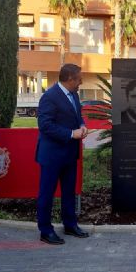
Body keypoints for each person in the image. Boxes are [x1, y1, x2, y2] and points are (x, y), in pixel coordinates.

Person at [36, 63, 89, 245]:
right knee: (47, 194)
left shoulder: (73, 94)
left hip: (69, 154)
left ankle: (70, 224)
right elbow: (45, 125)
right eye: (79, 79)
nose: (81, 82)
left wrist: (81, 126)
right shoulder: (49, 97)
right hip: (52, 156)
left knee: (69, 192)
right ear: (69, 79)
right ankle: (45, 230)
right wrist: (70, 134)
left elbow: (77, 116)